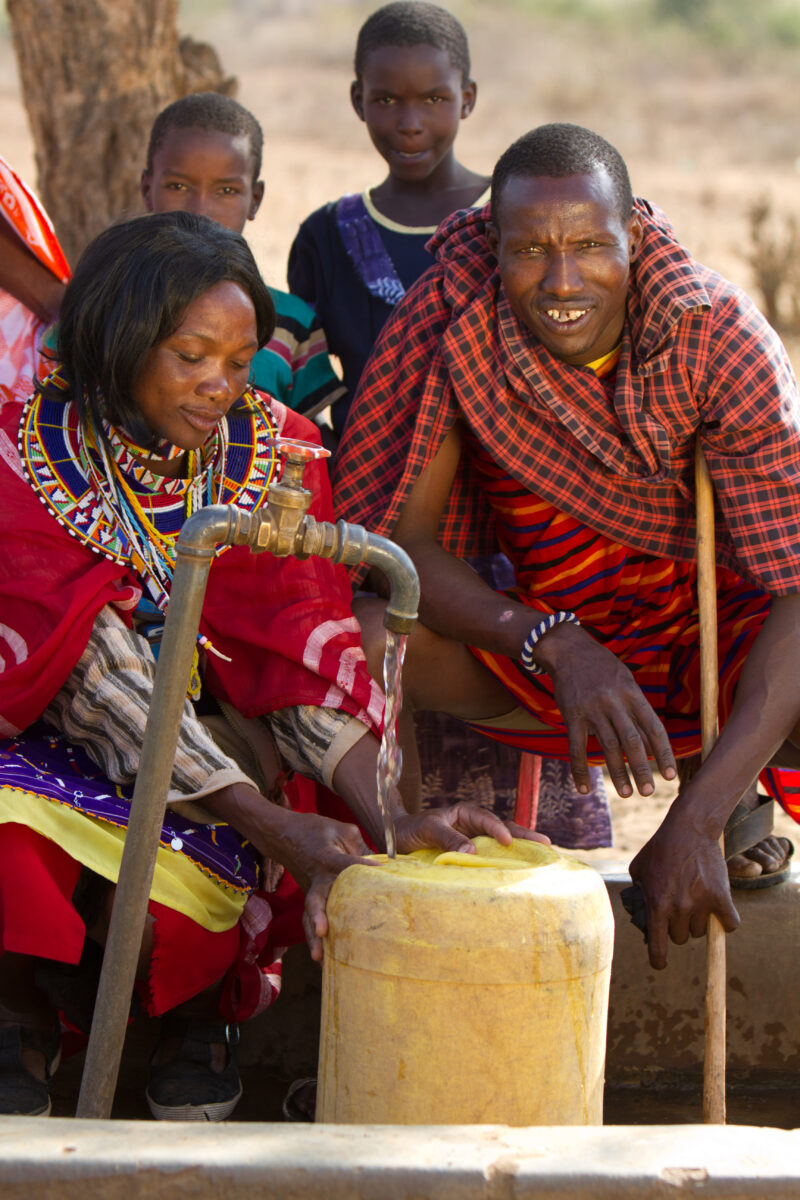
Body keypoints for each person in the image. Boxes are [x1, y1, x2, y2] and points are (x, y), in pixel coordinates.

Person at [0, 211, 544, 1120]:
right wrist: (267, 826)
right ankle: (18, 1007)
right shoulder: (22, 454)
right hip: (61, 725)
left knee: (246, 808)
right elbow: (91, 674)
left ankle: (199, 1019)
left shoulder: (277, 452)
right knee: (13, 817)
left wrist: (386, 816)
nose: (220, 385)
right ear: (117, 342)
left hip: (223, 736)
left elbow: (298, 649)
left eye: (240, 359)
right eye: (190, 355)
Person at [333, 122, 800, 973]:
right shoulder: (460, 324)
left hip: (716, 657)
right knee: (365, 644)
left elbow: (799, 584)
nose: (560, 280)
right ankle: (391, 893)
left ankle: (729, 796)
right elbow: (402, 549)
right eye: (529, 252)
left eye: (590, 246)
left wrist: (690, 822)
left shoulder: (716, 338)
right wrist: (557, 643)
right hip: (552, 654)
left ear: (634, 239)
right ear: (495, 249)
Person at [288, 0, 489, 439]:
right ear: (359, 100)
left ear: (467, 99)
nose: (410, 123)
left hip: (498, 494)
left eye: (434, 99)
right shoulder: (325, 238)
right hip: (361, 492)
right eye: (386, 100)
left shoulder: (511, 220)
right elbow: (301, 390)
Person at [141, 92, 345, 420]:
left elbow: (306, 434)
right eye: (178, 186)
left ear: (255, 199)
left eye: (227, 191)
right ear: (146, 190)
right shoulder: (110, 302)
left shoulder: (291, 324)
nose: (200, 210)